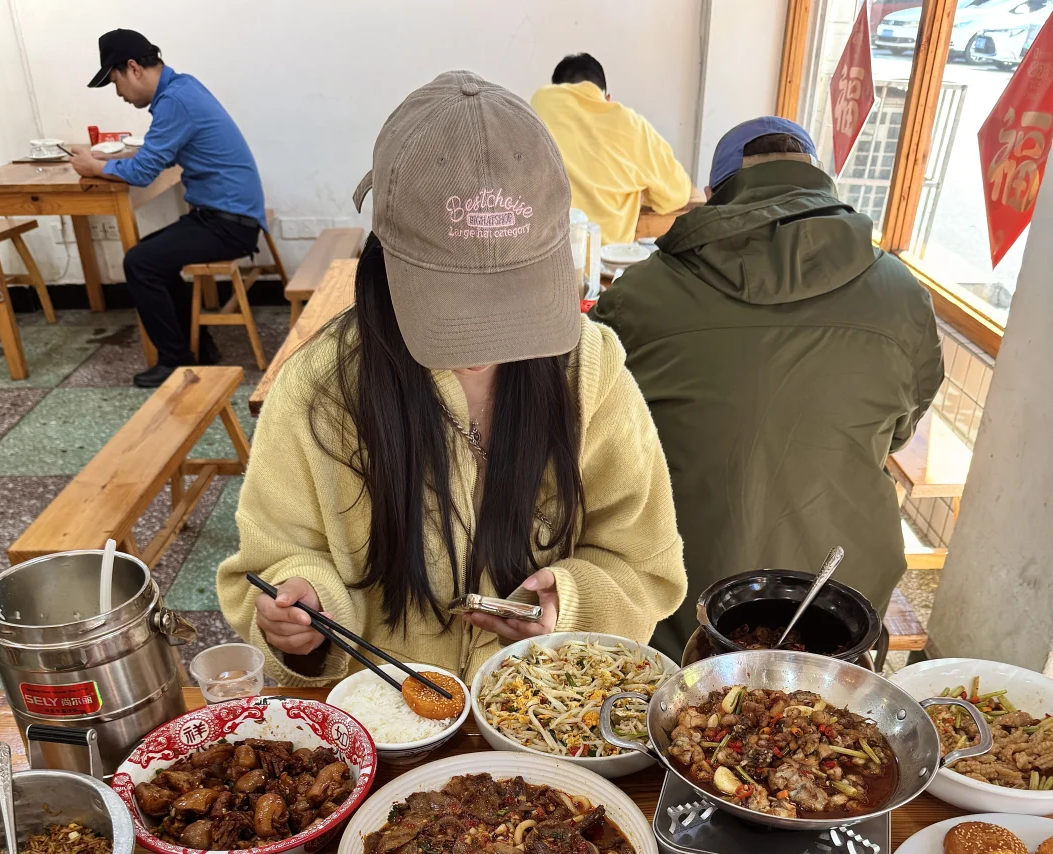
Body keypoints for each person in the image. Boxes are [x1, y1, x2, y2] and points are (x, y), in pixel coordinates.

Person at [217, 71, 685, 687]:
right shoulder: (320, 387)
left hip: (538, 710)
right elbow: (276, 552)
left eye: (512, 300)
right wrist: (303, 608)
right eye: (450, 304)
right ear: (384, 259)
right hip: (381, 712)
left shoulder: (590, 372)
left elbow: (643, 561)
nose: (481, 344)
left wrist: (569, 605)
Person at [594, 116, 943, 661]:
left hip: (682, 606)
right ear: (820, 181)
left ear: (713, 194)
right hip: (840, 605)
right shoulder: (903, 295)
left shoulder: (638, 295)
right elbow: (899, 431)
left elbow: (597, 431)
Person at [70, 29, 266, 388]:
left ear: (133, 68)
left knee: (140, 262)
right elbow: (161, 154)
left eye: (115, 82)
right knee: (153, 258)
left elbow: (143, 173)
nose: (119, 93)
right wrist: (114, 161)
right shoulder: (183, 87)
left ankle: (175, 360)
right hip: (230, 215)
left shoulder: (174, 101)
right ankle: (197, 347)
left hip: (229, 223)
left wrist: (95, 167)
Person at [531, 53, 691, 246]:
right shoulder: (632, 125)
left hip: (547, 255)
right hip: (609, 259)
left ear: (558, 90)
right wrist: (640, 192)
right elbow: (677, 194)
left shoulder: (540, 104)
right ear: (607, 98)